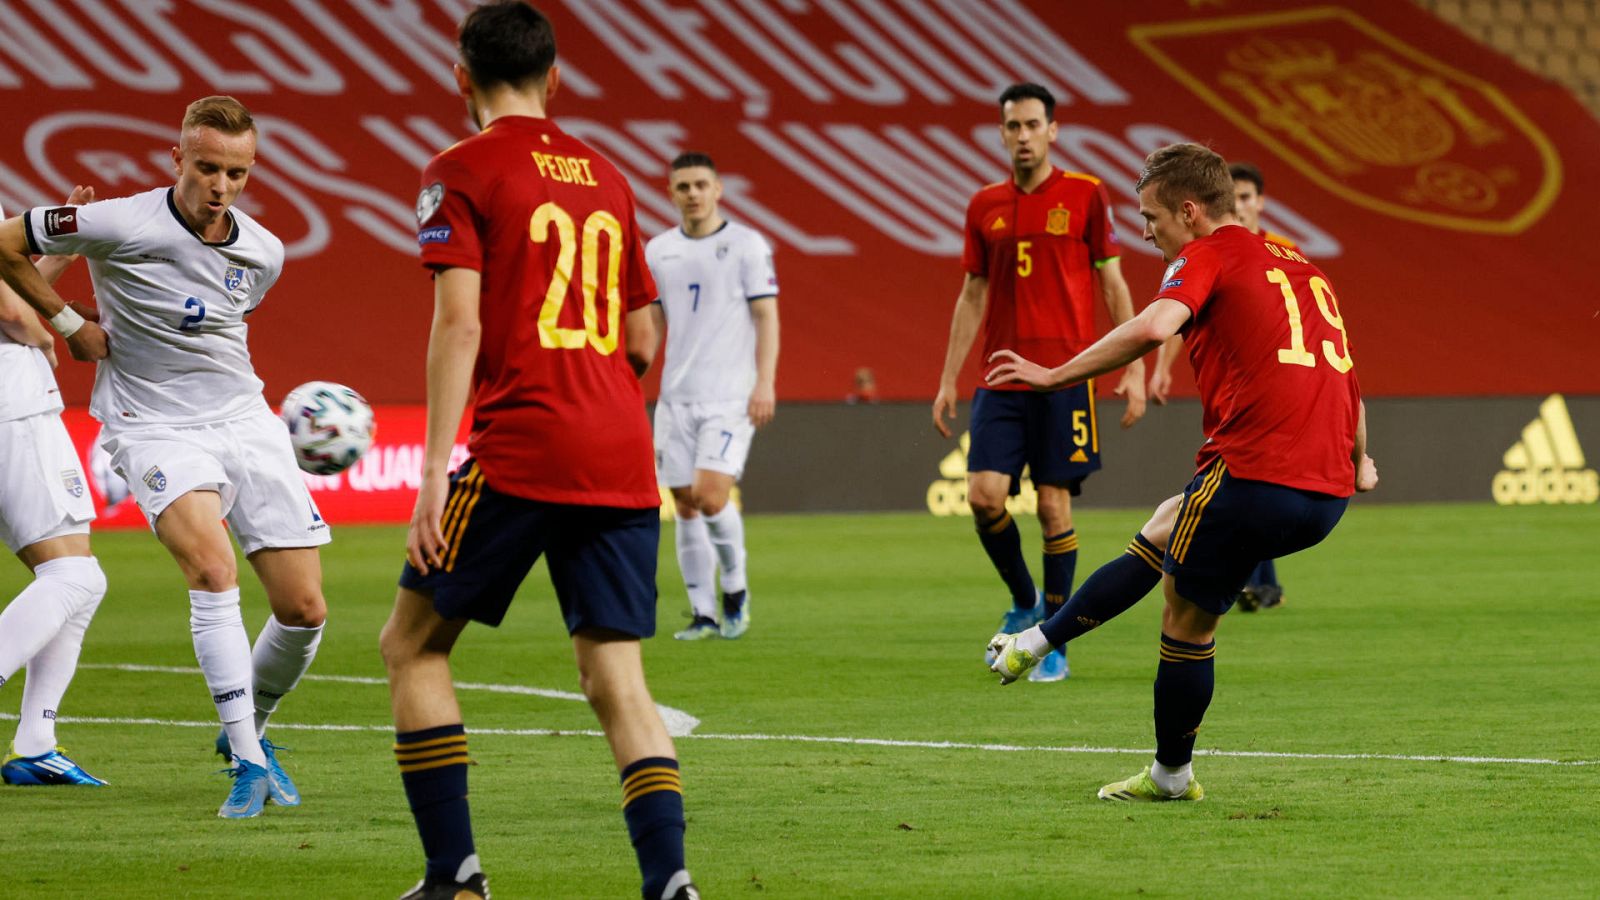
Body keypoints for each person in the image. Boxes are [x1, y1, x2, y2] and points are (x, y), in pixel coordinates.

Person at [378, 4, 697, 899]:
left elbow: (459, 324)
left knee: (411, 645)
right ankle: (670, 883)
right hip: (619, 451)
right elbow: (643, 337)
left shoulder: (459, 170)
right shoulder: (609, 177)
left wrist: (431, 479)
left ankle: (455, 878)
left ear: (460, 76)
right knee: (617, 680)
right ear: (555, 79)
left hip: (522, 445)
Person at [985, 142, 1377, 801]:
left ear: (1190, 211)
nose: (1147, 231)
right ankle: (1039, 641)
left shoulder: (1207, 254)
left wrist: (1055, 376)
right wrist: (1361, 460)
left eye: (1151, 216)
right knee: (1171, 521)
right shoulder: (1303, 268)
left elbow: (1153, 326)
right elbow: (1345, 375)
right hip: (1328, 493)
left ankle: (1168, 774)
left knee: (1186, 618)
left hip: (1255, 476)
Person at [0, 97, 330, 819]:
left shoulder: (264, 251)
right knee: (212, 570)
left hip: (244, 421)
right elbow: (3, 241)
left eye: (237, 173)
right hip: (151, 425)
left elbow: (220, 328)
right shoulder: (120, 220)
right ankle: (247, 761)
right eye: (207, 167)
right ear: (177, 158)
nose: (221, 186)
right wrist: (69, 323)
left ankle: (250, 728)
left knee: (304, 609)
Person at [932, 82, 1146, 683]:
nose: (1022, 136)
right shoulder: (984, 205)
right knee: (983, 497)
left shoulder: (1085, 195)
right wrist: (948, 378)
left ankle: (1054, 640)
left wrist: (1133, 364)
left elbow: (1112, 283)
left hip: (1067, 377)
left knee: (1053, 507)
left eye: (1032, 125)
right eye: (1013, 126)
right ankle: (1025, 598)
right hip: (1001, 376)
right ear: (1001, 133)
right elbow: (972, 293)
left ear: (1052, 130)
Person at [1149, 161, 1297, 611]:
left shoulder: (1282, 251)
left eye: (1249, 196)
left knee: (1252, 480)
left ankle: (1254, 583)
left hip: (1274, 389)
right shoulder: (1207, 254)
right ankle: (1257, 584)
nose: (1243, 204)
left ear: (1261, 203)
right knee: (1249, 482)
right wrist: (1162, 368)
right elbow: (1180, 316)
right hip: (1232, 386)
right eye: (1238, 196)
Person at [0, 189, 110, 787]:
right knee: (74, 577)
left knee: (77, 579)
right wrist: (46, 334)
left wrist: (57, 258)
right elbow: (9, 309)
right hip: (11, 406)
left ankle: (36, 744)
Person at [646, 151, 779, 641]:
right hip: (675, 398)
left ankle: (735, 589)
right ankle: (703, 613)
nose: (693, 194)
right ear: (671, 193)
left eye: (701, 184)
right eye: (683, 186)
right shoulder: (658, 251)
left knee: (709, 496)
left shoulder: (746, 245)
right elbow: (652, 324)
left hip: (728, 397)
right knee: (683, 503)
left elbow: (766, 316)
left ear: (718, 189)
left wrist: (765, 382)